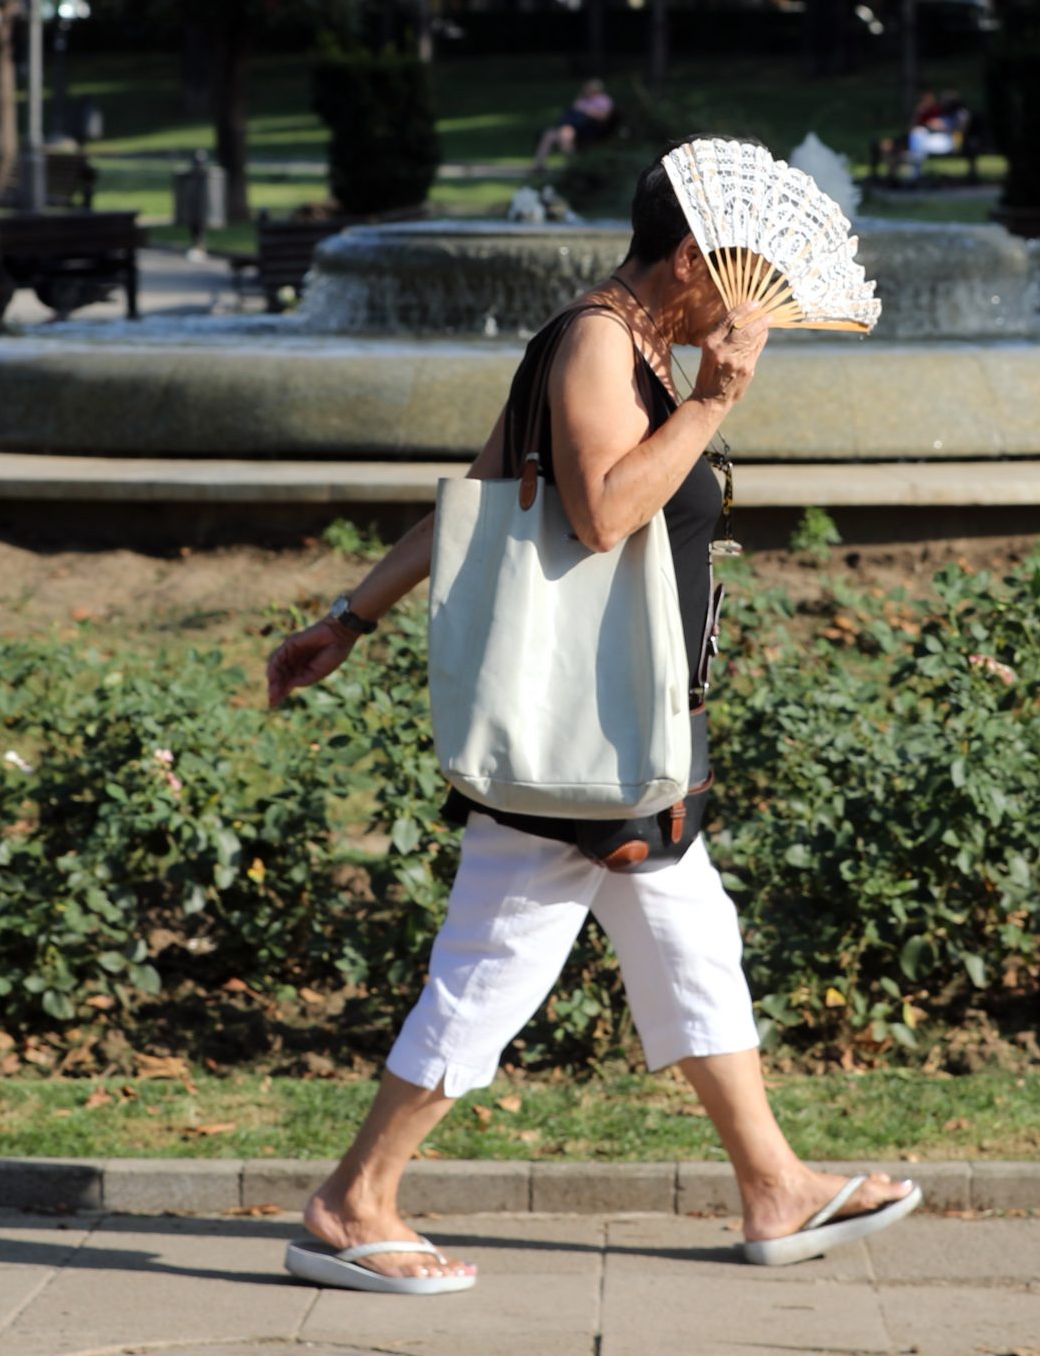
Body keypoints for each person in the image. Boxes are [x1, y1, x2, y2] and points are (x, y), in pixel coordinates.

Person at [264, 148, 921, 1294]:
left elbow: (468, 502)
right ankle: (351, 1200)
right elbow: (605, 510)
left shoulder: (630, 352)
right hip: (575, 737)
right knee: (495, 963)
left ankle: (774, 1185)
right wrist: (716, 403)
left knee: (691, 947)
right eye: (746, 278)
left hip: (631, 728)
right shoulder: (596, 344)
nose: (753, 305)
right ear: (690, 260)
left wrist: (348, 618)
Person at [532, 78, 615, 169]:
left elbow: (604, 117)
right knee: (549, 135)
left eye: (588, 88)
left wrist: (587, 111)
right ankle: (539, 164)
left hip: (589, 129)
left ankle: (571, 165)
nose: (586, 90)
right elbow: (574, 112)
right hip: (573, 127)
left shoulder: (603, 100)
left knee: (565, 133)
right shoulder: (583, 100)